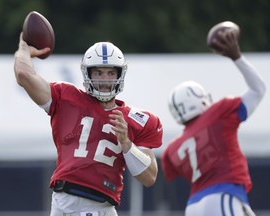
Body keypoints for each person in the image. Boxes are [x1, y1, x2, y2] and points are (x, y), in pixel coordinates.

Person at [14, 35, 163, 216]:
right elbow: (24, 75)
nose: (105, 79)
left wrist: (126, 144)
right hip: (66, 201)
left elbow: (149, 177)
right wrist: (24, 50)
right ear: (88, 74)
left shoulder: (139, 120)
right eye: (98, 73)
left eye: (110, 73)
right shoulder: (67, 97)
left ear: (120, 74)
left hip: (102, 206)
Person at [161, 29, 266, 215]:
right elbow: (258, 89)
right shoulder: (219, 113)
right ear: (200, 99)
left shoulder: (172, 149)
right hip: (223, 195)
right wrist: (237, 57)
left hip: (193, 206)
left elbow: (172, 172)